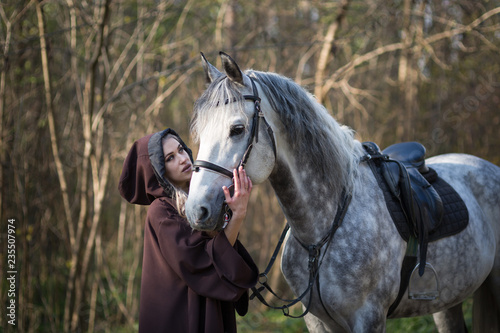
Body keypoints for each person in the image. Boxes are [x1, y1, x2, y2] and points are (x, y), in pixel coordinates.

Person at [118, 128, 258, 333]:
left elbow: (218, 253)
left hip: (209, 309)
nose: (183, 159)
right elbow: (202, 262)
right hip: (183, 316)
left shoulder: (197, 203)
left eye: (181, 149)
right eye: (170, 158)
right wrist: (238, 215)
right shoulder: (161, 211)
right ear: (157, 170)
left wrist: (233, 212)